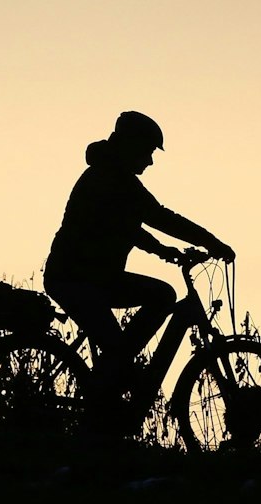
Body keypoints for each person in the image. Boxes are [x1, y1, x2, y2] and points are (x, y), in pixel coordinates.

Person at [42, 111, 235, 402]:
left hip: (93, 277)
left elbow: (126, 226)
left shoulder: (112, 176)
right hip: (77, 280)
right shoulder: (111, 179)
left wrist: (163, 251)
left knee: (151, 308)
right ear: (129, 145)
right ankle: (115, 379)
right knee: (155, 304)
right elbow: (158, 217)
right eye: (147, 151)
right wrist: (212, 242)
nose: (150, 160)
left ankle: (118, 375)